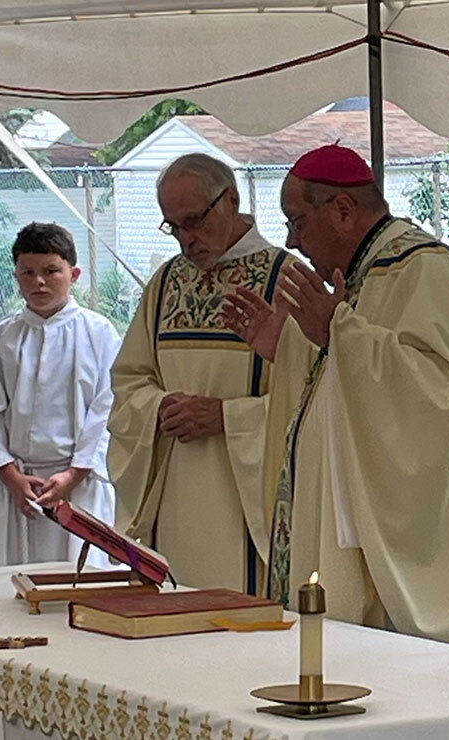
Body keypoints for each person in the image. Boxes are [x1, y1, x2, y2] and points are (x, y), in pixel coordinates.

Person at [222, 144, 449, 664]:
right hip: (352, 539)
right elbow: (340, 381)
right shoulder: (362, 277)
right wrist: (285, 346)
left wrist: (338, 333)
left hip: (417, 549)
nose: (290, 241)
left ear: (344, 210)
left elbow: (439, 398)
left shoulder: (425, 271)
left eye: (297, 222)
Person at [108, 153, 294, 591]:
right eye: (173, 226)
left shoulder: (286, 280)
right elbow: (129, 379)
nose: (185, 240)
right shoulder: (166, 282)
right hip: (173, 496)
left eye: (193, 220)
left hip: (250, 505)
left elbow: (313, 403)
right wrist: (159, 406)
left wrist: (227, 417)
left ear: (231, 199)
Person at [0, 222, 120, 568]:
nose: (39, 282)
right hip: (19, 488)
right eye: (28, 272)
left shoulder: (99, 334)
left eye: (52, 271)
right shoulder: (2, 339)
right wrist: (11, 477)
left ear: (74, 273)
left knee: (82, 583)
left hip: (81, 485)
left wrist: (74, 474)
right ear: (16, 275)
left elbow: (107, 410)